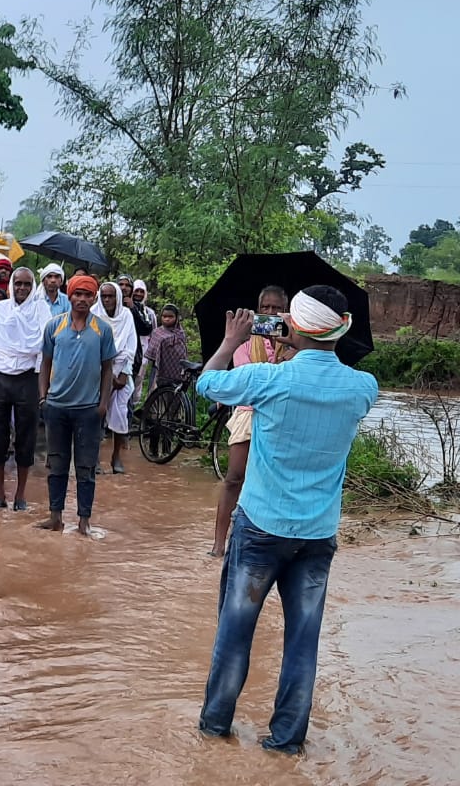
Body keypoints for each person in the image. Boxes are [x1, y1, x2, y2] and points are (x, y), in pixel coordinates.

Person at [196, 287, 378, 754]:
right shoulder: (362, 388)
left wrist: (229, 340)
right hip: (317, 534)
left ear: (293, 327)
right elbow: (331, 379)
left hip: (261, 528)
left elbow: (207, 384)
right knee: (302, 641)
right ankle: (286, 741)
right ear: (339, 328)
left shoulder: (269, 379)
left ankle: (215, 729)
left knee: (235, 634)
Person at [210, 286, 289, 557]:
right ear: (257, 310)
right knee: (234, 477)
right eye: (264, 308)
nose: (269, 313)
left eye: (276, 308)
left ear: (286, 311)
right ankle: (219, 543)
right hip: (248, 411)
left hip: (279, 415)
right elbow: (247, 377)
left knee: (273, 482)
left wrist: (286, 350)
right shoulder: (243, 342)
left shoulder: (294, 344)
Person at [37, 274, 116, 535]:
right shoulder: (54, 326)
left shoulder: (102, 330)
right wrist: (43, 398)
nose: (82, 299)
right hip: (57, 407)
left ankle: (84, 521)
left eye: (87, 295)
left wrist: (103, 404)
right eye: (77, 294)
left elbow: (108, 369)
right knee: (56, 464)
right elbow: (45, 363)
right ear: (69, 296)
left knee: (86, 467)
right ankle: (55, 516)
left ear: (94, 299)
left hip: (88, 409)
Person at [0, 267, 49, 510]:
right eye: (17, 283)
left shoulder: (41, 311)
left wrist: (43, 387)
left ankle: (20, 495)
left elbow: (44, 349)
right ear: (10, 284)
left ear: (32, 287)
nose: (21, 289)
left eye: (26, 284)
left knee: (26, 436)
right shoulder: (0, 309)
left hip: (28, 378)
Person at [91, 281, 138, 474]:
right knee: (95, 415)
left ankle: (116, 456)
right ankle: (93, 459)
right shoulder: (94, 314)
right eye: (104, 296)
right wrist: (107, 375)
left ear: (118, 297)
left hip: (121, 371)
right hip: (96, 371)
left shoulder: (126, 315)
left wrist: (124, 373)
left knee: (119, 413)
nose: (107, 300)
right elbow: (92, 346)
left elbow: (130, 346)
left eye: (111, 296)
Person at [140, 303, 189, 393]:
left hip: (177, 371)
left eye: (171, 317)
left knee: (174, 397)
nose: (167, 319)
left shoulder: (180, 334)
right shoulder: (157, 333)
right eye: (164, 316)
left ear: (176, 318)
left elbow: (183, 354)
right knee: (155, 396)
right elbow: (153, 354)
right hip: (157, 370)